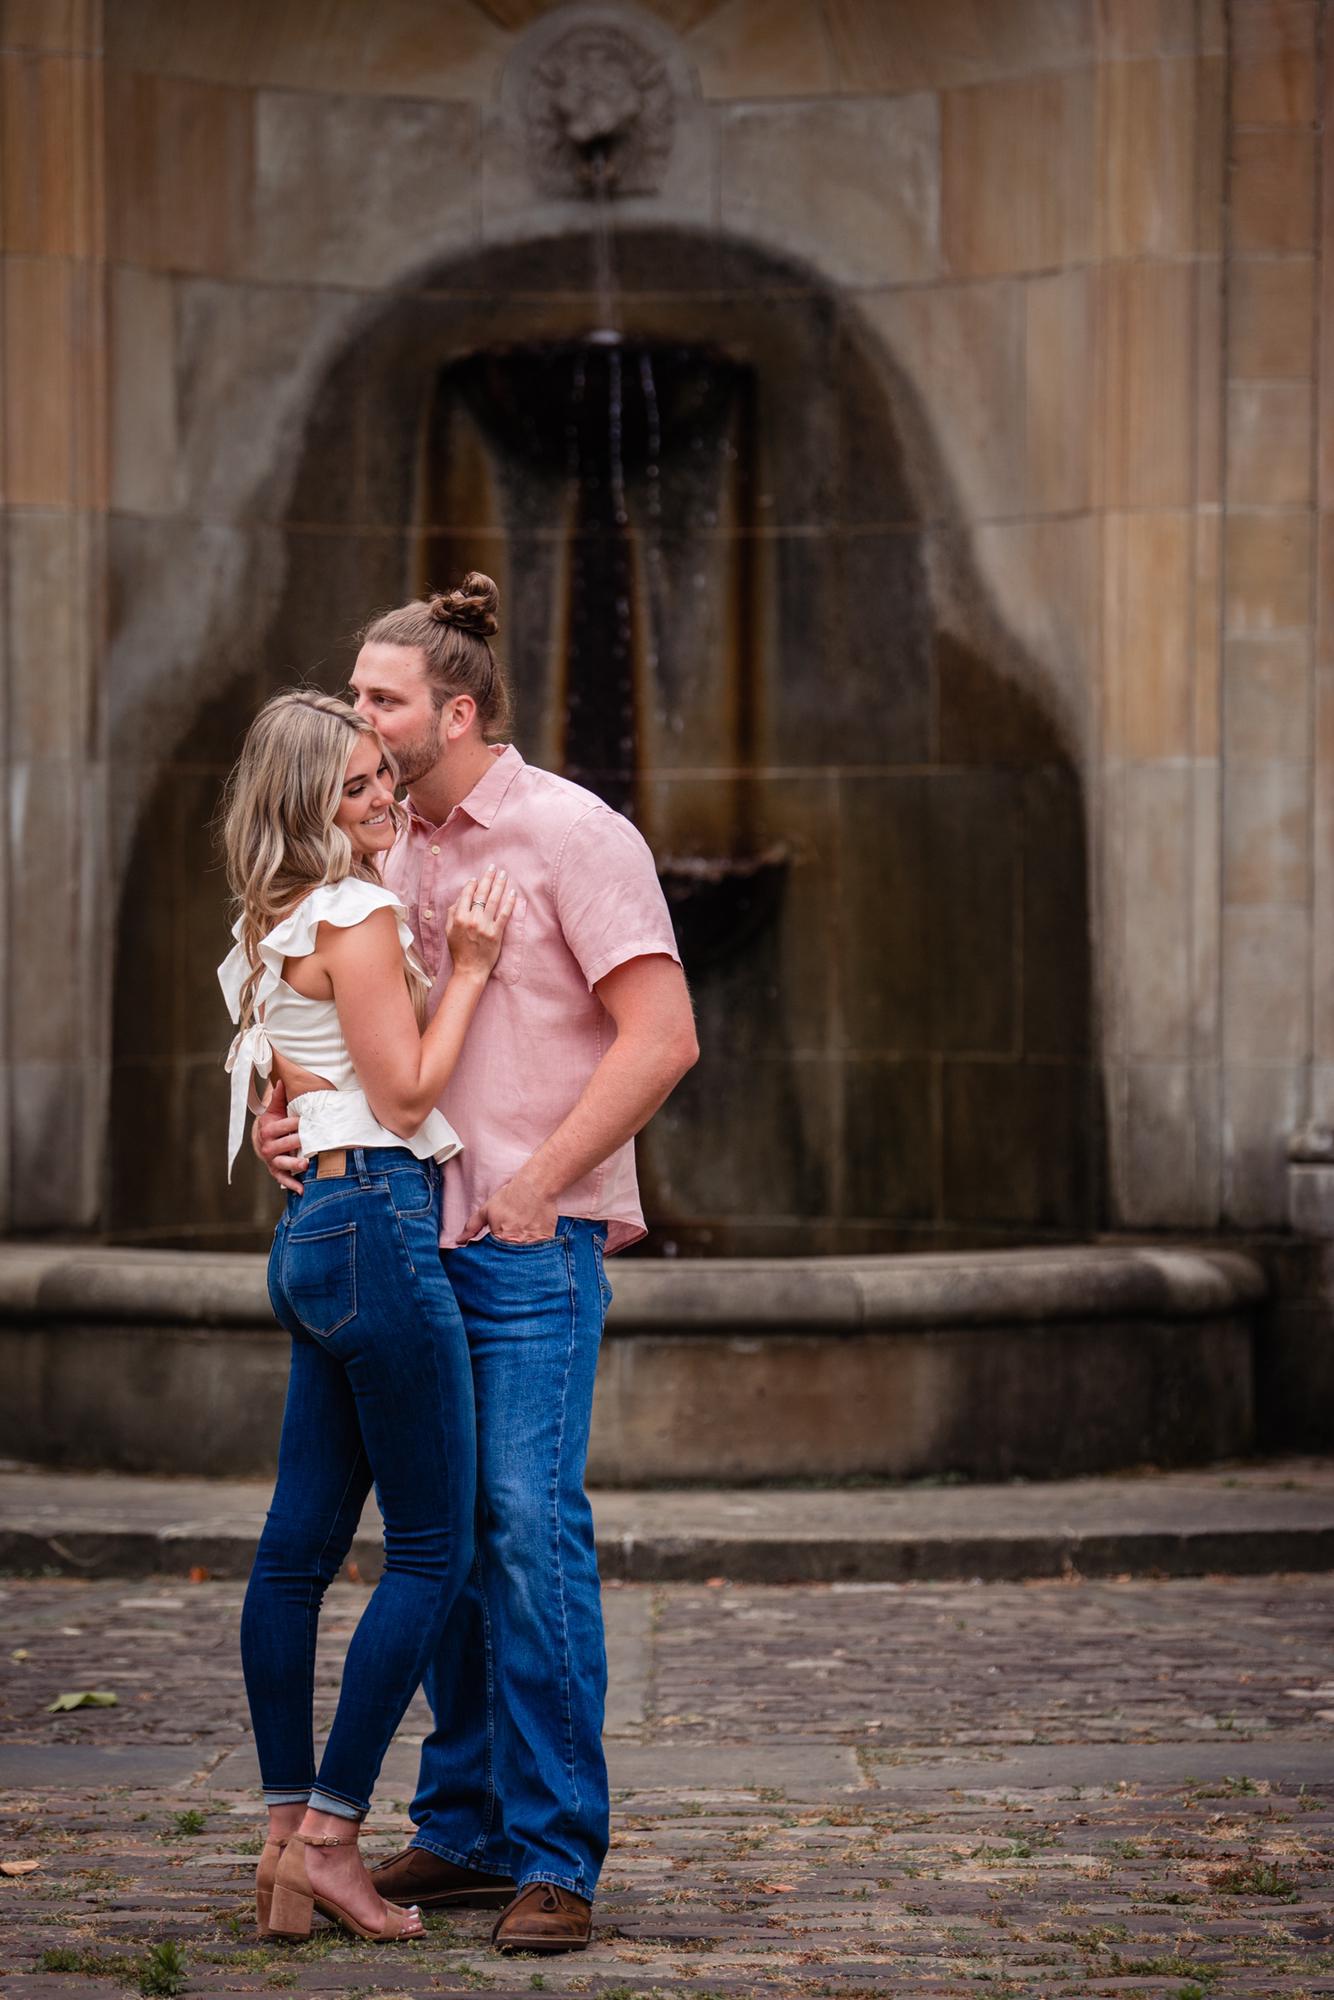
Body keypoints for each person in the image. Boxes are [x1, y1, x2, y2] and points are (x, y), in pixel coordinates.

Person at [254, 573, 698, 1955]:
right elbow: (336, 1024)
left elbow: (662, 1037)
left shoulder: (574, 832)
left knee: (520, 1524)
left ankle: (556, 1851)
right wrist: (289, 1117)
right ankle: (465, 1826)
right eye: (355, 696)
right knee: (434, 1535)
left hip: (525, 1244)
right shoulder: (376, 842)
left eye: (380, 699)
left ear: (455, 710)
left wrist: (540, 1182)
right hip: (398, 1242)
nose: (359, 720)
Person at [219, 690, 515, 1945]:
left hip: (310, 1240)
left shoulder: (267, 923)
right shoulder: (357, 913)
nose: (383, 796)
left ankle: (283, 1836)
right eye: (352, 787)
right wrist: (475, 968)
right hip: (380, 1225)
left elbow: (292, 1091)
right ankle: (336, 1841)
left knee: (294, 1552)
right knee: (435, 1549)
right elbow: (401, 1095)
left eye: (381, 773)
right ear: (305, 805)